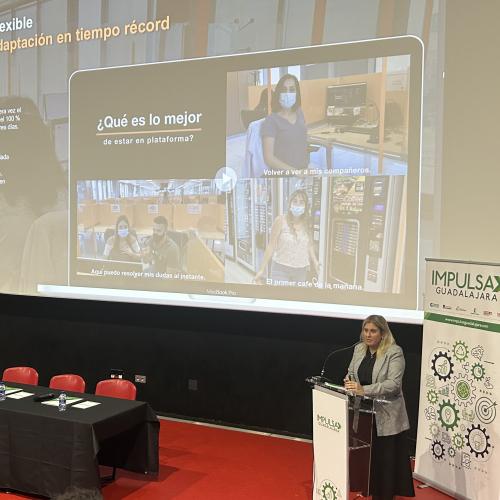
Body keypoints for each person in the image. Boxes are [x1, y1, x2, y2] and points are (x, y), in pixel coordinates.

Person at [344, 315, 415, 500]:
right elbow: (351, 373)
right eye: (365, 330)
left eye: (373, 331)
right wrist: (348, 381)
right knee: (366, 457)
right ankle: (367, 489)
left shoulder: (394, 352)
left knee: (384, 462)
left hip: (386, 414)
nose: (368, 335)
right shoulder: (359, 349)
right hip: (363, 412)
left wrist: (363, 389)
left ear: (383, 333)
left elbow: (394, 385)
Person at [255, 190, 319, 285]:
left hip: (301, 270)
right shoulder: (280, 220)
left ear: (305, 206)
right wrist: (261, 269)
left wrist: (315, 262)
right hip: (280, 269)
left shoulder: (307, 223)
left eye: (301, 202)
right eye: (295, 201)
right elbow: (271, 246)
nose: (298, 204)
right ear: (290, 204)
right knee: (281, 294)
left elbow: (309, 244)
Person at [261, 73, 309, 173]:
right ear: (278, 93)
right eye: (284, 90)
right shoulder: (271, 121)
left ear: (297, 93)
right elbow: (268, 158)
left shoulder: (299, 112)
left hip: (304, 170)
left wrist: (323, 142)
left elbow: (301, 137)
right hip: (284, 175)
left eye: (292, 90)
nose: (288, 93)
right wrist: (296, 172)